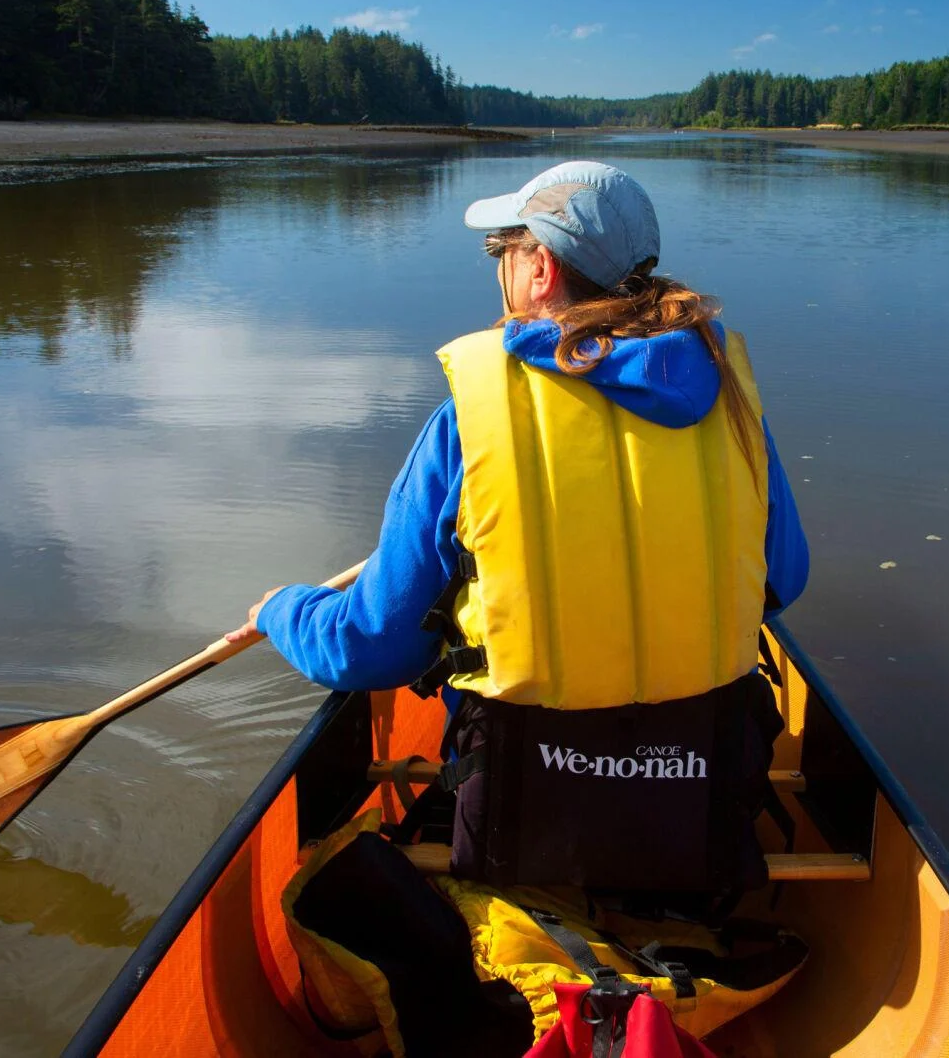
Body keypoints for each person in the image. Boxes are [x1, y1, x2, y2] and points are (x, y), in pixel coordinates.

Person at [228, 160, 807, 893]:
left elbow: (369, 651)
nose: (498, 266)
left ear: (539, 267)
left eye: (500, 249)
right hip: (700, 803)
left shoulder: (467, 426)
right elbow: (780, 581)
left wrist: (281, 608)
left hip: (521, 816)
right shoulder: (731, 406)